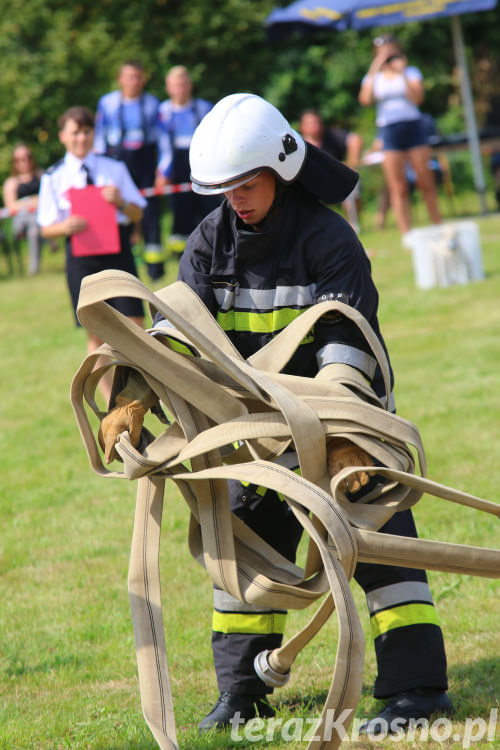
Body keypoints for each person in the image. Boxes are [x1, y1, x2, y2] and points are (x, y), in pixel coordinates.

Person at [99, 94, 452, 736]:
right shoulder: (208, 243)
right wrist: (133, 396)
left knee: (383, 551)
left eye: (247, 180)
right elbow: (178, 335)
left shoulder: (330, 239)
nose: (235, 196)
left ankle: (417, 691)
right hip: (256, 440)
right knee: (243, 557)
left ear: (282, 169)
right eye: (224, 185)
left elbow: (346, 347)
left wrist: (345, 448)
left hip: (348, 430)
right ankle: (242, 694)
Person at [37, 106, 146, 403]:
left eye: (86, 131)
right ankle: (111, 403)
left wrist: (121, 202)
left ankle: (140, 395)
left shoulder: (114, 167)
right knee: (95, 333)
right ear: (63, 136)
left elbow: (138, 210)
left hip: (118, 253)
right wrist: (65, 226)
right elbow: (46, 227)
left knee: (135, 325)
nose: (81, 138)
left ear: (93, 134)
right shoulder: (54, 176)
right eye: (75, 132)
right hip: (82, 258)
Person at [359, 35, 441, 239]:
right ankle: (407, 234)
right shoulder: (374, 78)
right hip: (389, 130)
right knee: (398, 186)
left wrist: (401, 72)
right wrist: (376, 66)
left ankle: (438, 225)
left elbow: (418, 99)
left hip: (413, 127)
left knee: (425, 180)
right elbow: (365, 100)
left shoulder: (410, 72)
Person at [94, 60, 168, 281]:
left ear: (143, 79)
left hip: (145, 162)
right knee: (118, 209)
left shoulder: (153, 104)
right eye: (129, 77)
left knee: (150, 214)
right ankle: (121, 260)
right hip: (117, 160)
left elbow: (163, 141)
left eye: (138, 77)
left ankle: (155, 268)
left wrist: (163, 171)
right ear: (120, 79)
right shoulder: (106, 103)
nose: (134, 81)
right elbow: (99, 138)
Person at [156, 65, 220, 256]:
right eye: (176, 85)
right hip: (176, 168)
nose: (180, 89)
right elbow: (162, 146)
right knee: (179, 211)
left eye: (183, 84)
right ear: (168, 87)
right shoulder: (163, 111)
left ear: (190, 85)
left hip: (201, 165)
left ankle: (211, 247)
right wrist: (162, 172)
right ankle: (181, 255)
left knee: (207, 208)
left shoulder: (203, 108)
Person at [298, 109, 363, 230]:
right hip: (309, 185)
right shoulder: (298, 144)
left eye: (315, 122)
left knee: (352, 183)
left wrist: (352, 162)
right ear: (302, 127)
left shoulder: (331, 136)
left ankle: (353, 224)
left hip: (334, 179)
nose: (313, 126)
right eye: (309, 123)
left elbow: (355, 139)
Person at [2, 144, 44, 275]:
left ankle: (33, 269)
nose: (24, 162)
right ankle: (51, 241)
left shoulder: (41, 175)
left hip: (38, 219)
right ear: (15, 162)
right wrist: (31, 202)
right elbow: (11, 206)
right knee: (32, 219)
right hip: (19, 222)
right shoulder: (11, 182)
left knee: (34, 230)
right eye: (19, 159)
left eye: (27, 157)